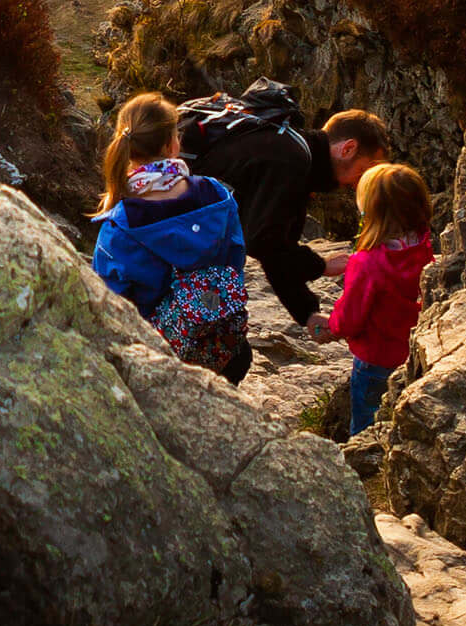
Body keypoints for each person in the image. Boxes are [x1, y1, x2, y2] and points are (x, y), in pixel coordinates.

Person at [182, 88, 397, 325]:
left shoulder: (297, 154)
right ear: (348, 149)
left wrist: (308, 313)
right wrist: (321, 266)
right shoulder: (291, 161)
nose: (361, 183)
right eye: (365, 170)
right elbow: (263, 243)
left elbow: (278, 247)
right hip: (176, 234)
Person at [89, 92, 253, 382]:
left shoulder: (122, 222)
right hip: (223, 347)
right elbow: (236, 259)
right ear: (171, 145)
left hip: (160, 357)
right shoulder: (215, 193)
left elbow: (111, 300)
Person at [324, 162, 433, 439]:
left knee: (366, 425)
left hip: (375, 361)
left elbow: (349, 319)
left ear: (369, 213)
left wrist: (331, 325)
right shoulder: (423, 248)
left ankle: (362, 457)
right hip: (413, 357)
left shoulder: (366, 263)